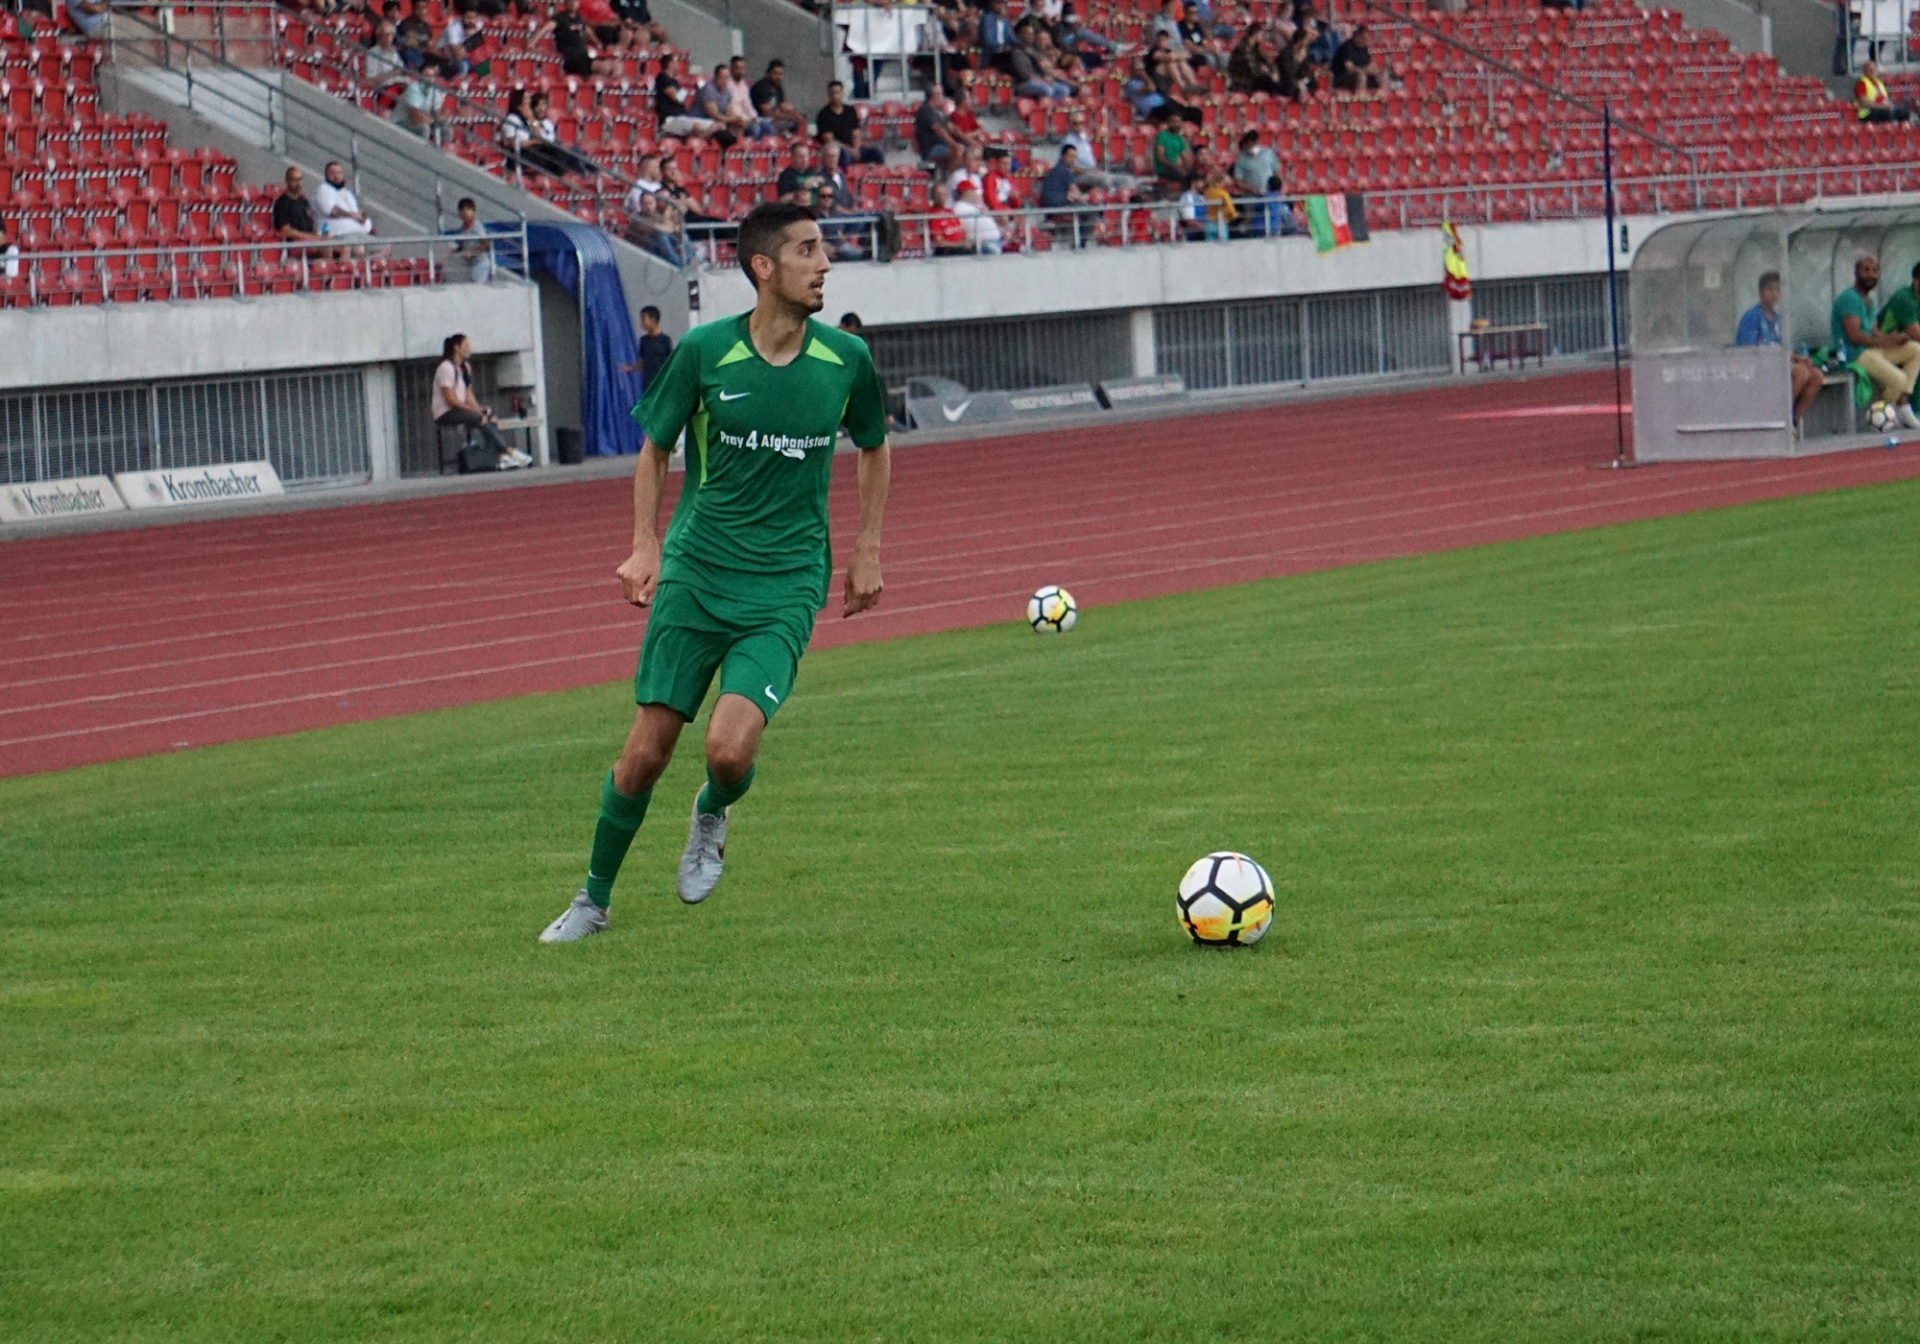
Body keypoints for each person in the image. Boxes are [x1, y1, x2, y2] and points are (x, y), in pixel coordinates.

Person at [537, 201, 891, 941]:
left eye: (822, 249)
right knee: (643, 755)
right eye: (807, 250)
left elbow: (873, 445)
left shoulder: (846, 359)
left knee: (728, 752)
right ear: (764, 267)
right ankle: (592, 900)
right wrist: (645, 543)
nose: (825, 263)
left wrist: (867, 547)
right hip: (697, 575)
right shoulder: (704, 351)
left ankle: (712, 810)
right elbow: (655, 449)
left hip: (786, 582)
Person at [1832, 254, 1920, 427]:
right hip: (1855, 354)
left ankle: (1901, 406)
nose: (1871, 275)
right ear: (1856, 273)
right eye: (1866, 270)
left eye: (1874, 270)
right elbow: (1855, 337)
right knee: (1899, 379)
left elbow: (1874, 332)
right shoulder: (1849, 298)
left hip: (1871, 350)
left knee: (1915, 350)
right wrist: (1885, 342)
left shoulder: (1868, 300)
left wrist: (1892, 340)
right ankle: (1883, 414)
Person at [1733, 270, 1821, 429]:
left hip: (1779, 364)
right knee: (1800, 372)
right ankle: (1777, 413)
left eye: (1777, 290)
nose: (1774, 294)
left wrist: (1798, 358)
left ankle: (1793, 422)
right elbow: (1747, 349)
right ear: (1761, 292)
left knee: (1816, 376)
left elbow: (1782, 347)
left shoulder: (1779, 318)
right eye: (1770, 289)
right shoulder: (1752, 316)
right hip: (1759, 366)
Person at [434, 334, 531, 469]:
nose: (469, 348)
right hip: (446, 413)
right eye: (466, 345)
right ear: (456, 348)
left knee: (490, 415)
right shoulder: (446, 367)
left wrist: (479, 410)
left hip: (461, 410)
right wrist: (475, 413)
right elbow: (451, 400)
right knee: (479, 418)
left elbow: (469, 396)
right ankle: (508, 451)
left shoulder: (465, 367)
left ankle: (500, 457)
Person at [314, 161, 373, 251]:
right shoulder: (324, 189)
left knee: (385, 248)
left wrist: (362, 219)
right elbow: (331, 210)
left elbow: (357, 215)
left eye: (339, 173)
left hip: (358, 233)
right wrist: (352, 215)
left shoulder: (347, 193)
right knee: (360, 249)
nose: (336, 176)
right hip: (339, 234)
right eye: (333, 173)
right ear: (326, 176)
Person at [622, 304, 673, 388]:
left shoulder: (665, 340)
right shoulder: (644, 340)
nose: (641, 323)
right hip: (648, 383)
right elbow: (643, 361)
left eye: (643, 318)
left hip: (662, 383)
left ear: (653, 319)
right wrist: (630, 368)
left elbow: (671, 362)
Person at [749, 60, 805, 137]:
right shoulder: (761, 87)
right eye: (775, 73)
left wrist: (797, 115)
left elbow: (784, 105)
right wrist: (788, 117)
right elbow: (766, 112)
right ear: (768, 73)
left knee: (796, 123)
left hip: (775, 119)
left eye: (781, 74)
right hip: (760, 121)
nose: (778, 77)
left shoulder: (778, 87)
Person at [270, 167, 324, 244]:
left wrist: (319, 236)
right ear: (287, 182)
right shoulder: (281, 203)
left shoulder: (303, 201)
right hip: (295, 244)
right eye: (294, 180)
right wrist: (310, 237)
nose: (299, 184)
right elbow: (286, 231)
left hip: (311, 241)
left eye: (300, 179)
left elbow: (312, 221)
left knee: (338, 245)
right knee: (328, 248)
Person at [913, 87, 965, 166]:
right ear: (935, 95)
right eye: (942, 94)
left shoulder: (939, 111)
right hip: (931, 148)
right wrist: (955, 145)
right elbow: (938, 130)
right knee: (957, 152)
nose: (943, 97)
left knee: (970, 150)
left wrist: (970, 142)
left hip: (943, 145)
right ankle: (955, 173)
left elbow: (952, 127)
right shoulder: (925, 110)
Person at [449, 197, 495, 283]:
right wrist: (456, 250)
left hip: (481, 263)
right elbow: (465, 244)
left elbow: (486, 243)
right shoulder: (462, 229)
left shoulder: (476, 225)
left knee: (478, 287)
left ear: (473, 211)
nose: (466, 213)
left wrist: (473, 252)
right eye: (463, 210)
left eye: (468, 210)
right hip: (472, 264)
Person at [952, 181, 1003, 254]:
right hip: (982, 244)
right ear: (965, 192)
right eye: (972, 191)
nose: (975, 193)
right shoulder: (959, 208)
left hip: (994, 240)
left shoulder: (975, 206)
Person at [776, 140, 825, 207]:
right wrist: (802, 188)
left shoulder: (812, 171)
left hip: (815, 209)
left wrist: (822, 181)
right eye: (801, 157)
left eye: (806, 156)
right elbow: (782, 200)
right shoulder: (785, 176)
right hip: (797, 210)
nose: (804, 160)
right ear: (793, 158)